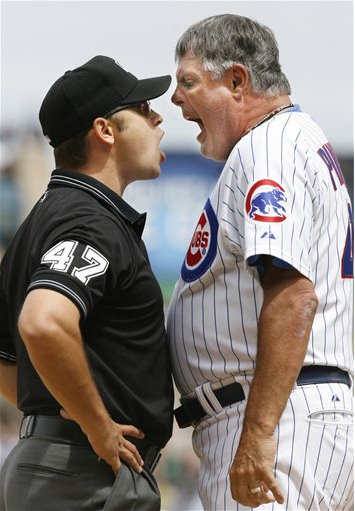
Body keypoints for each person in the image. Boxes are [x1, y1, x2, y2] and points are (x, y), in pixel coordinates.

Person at [167, 14, 353, 511]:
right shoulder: (291, 139)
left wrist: (258, 433)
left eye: (188, 82)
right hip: (291, 412)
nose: (175, 99)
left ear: (236, 81)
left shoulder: (268, 148)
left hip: (277, 418)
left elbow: (294, 295)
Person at [0, 55, 174, 511]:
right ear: (105, 130)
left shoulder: (39, 222)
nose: (159, 120)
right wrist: (94, 425)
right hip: (86, 474)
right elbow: (43, 323)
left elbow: (5, 358)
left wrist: (68, 405)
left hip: (54, 465)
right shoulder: (89, 220)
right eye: (143, 108)